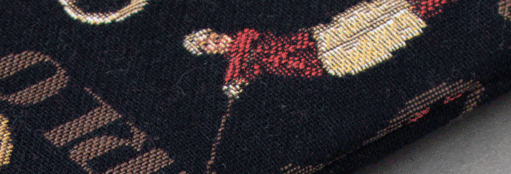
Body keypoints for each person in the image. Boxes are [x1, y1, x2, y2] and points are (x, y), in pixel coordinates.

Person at [183, 0, 457, 96]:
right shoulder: (243, 62)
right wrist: (238, 81)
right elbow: (248, 68)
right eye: (208, 47)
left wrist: (233, 79)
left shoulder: (243, 42)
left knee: (384, 9)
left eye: (212, 38)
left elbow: (244, 48)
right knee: (398, 29)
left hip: (321, 39)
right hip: (329, 61)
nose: (215, 43)